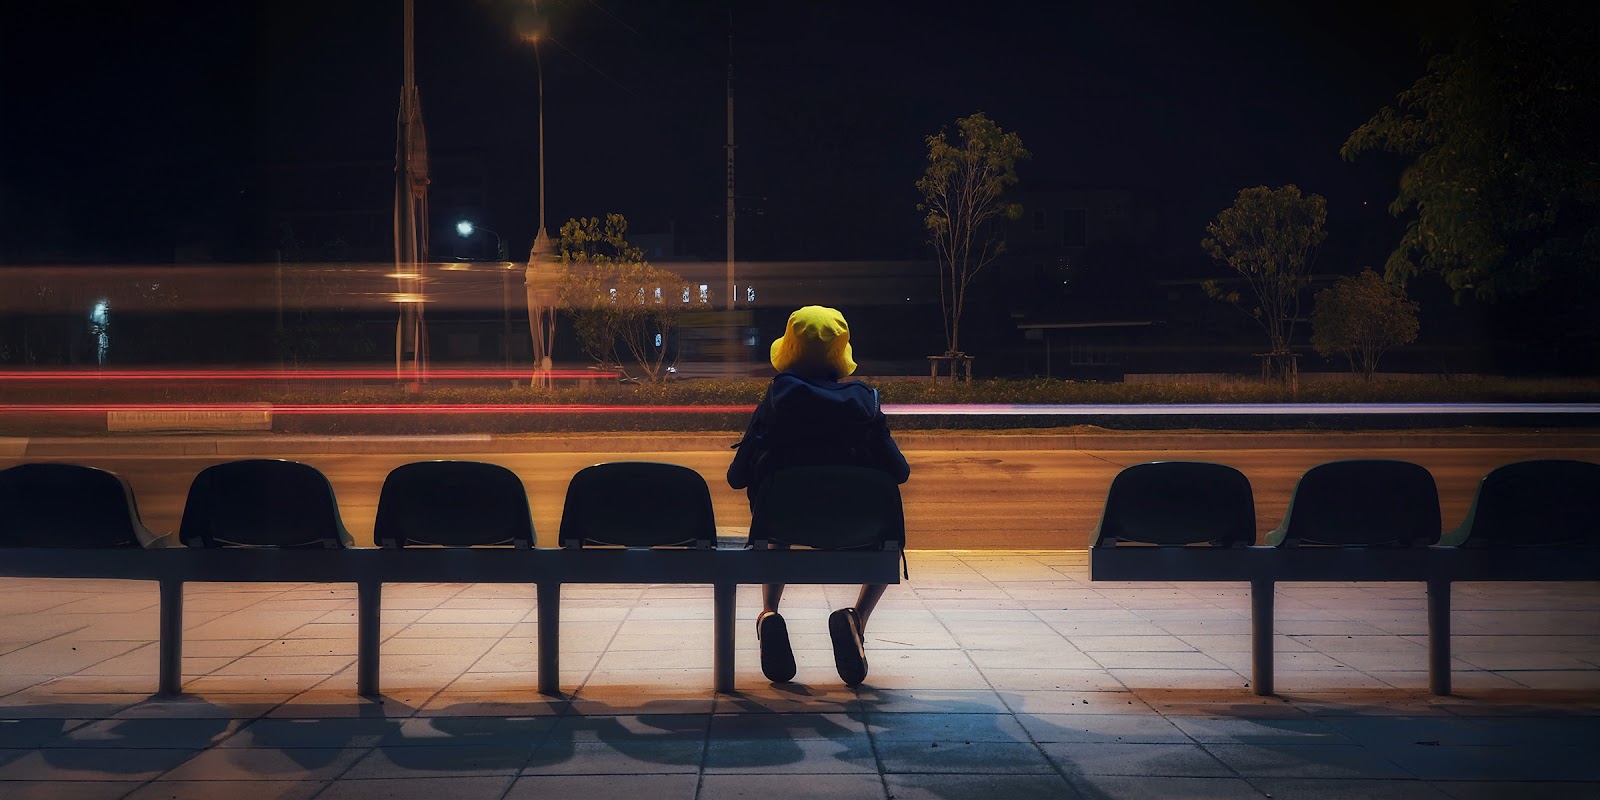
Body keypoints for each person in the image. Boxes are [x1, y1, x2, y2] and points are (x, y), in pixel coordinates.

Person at [728, 305, 911, 686]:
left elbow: (736, 476)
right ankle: (856, 620)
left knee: (778, 528)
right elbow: (900, 472)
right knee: (886, 537)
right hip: (857, 529)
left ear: (790, 350)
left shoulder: (777, 402)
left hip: (785, 523)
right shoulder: (865, 404)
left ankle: (769, 614)